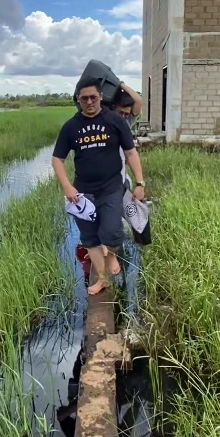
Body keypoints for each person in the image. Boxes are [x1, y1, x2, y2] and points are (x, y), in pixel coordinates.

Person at [52, 78, 146, 296]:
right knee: (90, 237)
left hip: (112, 188)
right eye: (84, 98)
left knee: (112, 232)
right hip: (83, 192)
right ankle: (102, 279)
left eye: (93, 97)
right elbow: (57, 159)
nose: (89, 102)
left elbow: (131, 153)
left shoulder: (115, 120)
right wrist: (67, 187)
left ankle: (111, 253)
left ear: (101, 97)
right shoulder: (71, 127)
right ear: (78, 99)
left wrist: (140, 182)